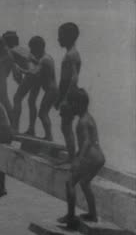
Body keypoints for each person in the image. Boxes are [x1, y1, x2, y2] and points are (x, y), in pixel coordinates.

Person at [57, 88, 105, 229]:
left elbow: (86, 142)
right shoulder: (88, 117)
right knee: (84, 183)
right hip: (98, 157)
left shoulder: (82, 122)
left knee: (70, 183)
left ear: (78, 104)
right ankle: (92, 214)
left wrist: (78, 160)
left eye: (72, 104)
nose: (70, 107)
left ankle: (71, 217)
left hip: (91, 156)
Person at [17, 36, 58, 141]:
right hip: (50, 90)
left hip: (51, 90)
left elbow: (35, 73)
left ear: (39, 47)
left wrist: (21, 70)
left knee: (43, 113)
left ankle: (49, 136)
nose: (31, 51)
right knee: (36, 106)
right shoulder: (44, 58)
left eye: (32, 49)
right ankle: (35, 131)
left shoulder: (45, 60)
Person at [2, 31, 39, 134]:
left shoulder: (11, 51)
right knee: (31, 102)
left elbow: (15, 72)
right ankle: (31, 129)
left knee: (17, 98)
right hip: (39, 73)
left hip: (31, 73)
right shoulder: (23, 50)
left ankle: (15, 127)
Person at [56, 22, 82, 161]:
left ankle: (72, 158)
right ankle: (72, 156)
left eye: (60, 36)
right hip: (67, 94)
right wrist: (60, 98)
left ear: (68, 37)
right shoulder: (70, 53)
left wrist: (66, 99)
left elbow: (73, 78)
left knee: (66, 127)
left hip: (70, 95)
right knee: (65, 126)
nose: (58, 39)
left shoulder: (72, 54)